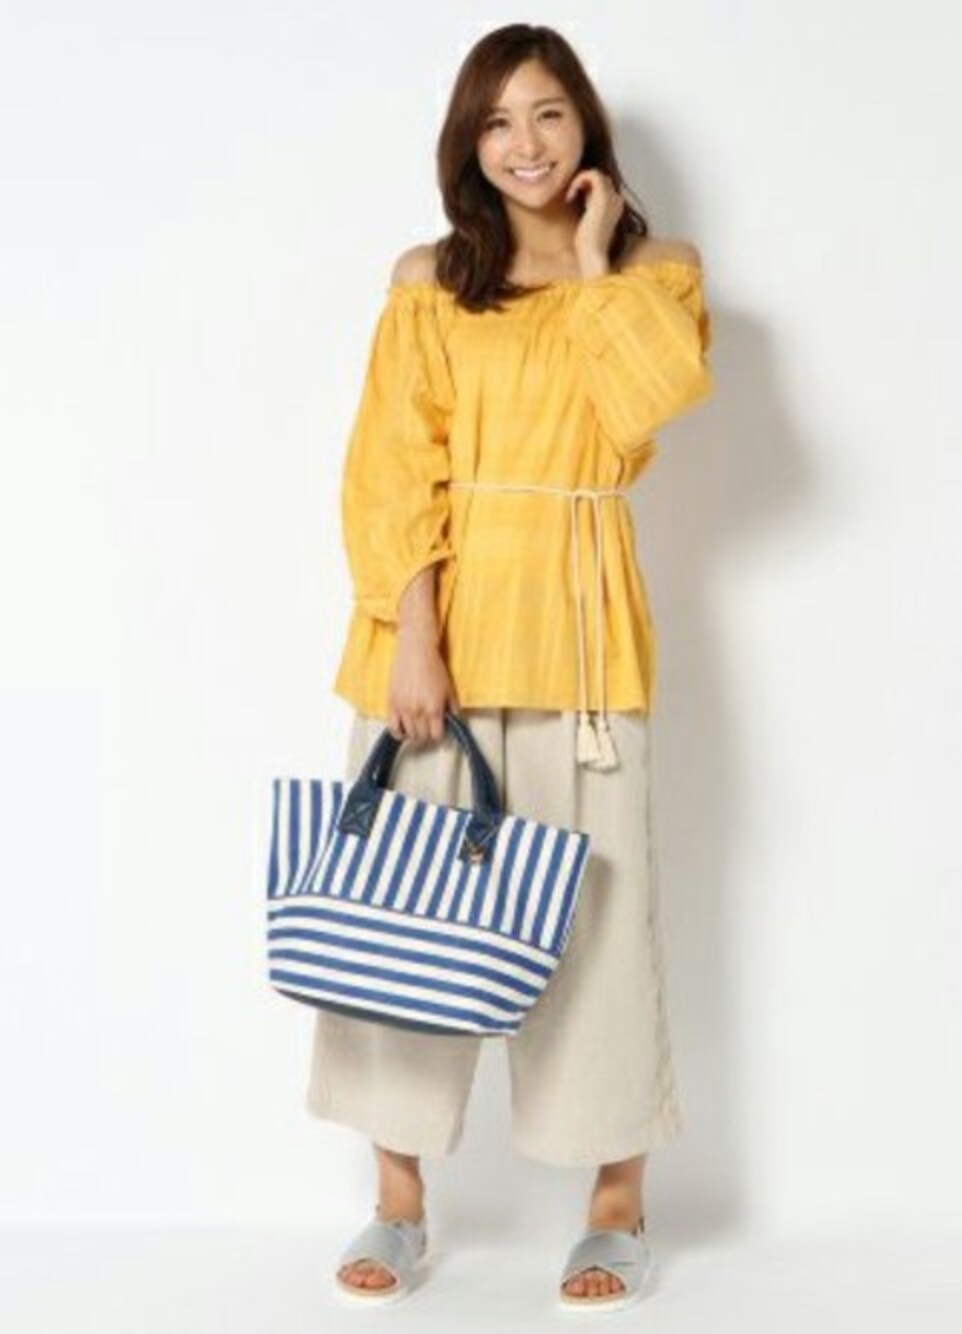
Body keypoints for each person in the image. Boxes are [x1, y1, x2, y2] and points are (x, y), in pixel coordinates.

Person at [306, 21, 715, 1313]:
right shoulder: (430, 279)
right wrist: (415, 636)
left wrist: (594, 267)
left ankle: (616, 1204)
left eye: (546, 114)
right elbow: (390, 466)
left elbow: (646, 408)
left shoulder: (653, 275)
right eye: (496, 121)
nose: (524, 144)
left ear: (584, 125)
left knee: (597, 937)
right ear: (467, 144)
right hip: (438, 644)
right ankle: (398, 1201)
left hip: (584, 643)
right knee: (399, 922)